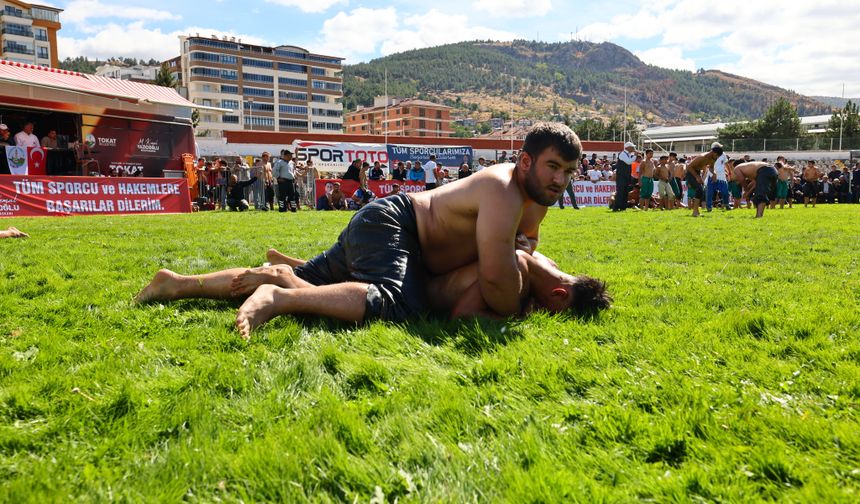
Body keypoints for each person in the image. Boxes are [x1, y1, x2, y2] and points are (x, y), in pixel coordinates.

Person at [137, 123, 609, 338]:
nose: (559, 181)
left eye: (568, 172)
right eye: (552, 167)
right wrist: (519, 299)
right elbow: (500, 287)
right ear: (525, 160)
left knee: (330, 282)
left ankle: (177, 284)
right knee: (397, 304)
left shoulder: (535, 204)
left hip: (395, 234)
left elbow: (510, 266)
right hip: (395, 226)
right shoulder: (504, 191)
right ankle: (282, 291)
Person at [685, 145, 722, 217]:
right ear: (713, 152)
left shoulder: (713, 158)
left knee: (701, 191)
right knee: (699, 190)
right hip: (690, 173)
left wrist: (714, 173)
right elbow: (689, 166)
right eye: (717, 155)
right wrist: (697, 177)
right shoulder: (702, 157)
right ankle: (695, 212)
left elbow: (711, 167)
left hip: (697, 173)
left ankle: (696, 211)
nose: (717, 158)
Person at [706, 146, 730, 211]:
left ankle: (726, 204)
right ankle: (709, 207)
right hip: (711, 176)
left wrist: (729, 172)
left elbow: (726, 163)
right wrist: (713, 175)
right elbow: (708, 167)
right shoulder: (708, 156)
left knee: (725, 192)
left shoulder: (723, 154)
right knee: (710, 193)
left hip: (722, 177)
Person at [613, 142, 636, 211]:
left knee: (625, 191)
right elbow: (628, 162)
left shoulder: (628, 154)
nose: (634, 148)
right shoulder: (622, 154)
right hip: (621, 176)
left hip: (626, 176)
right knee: (620, 191)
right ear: (627, 147)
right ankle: (616, 207)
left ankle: (623, 206)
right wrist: (635, 156)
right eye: (632, 147)